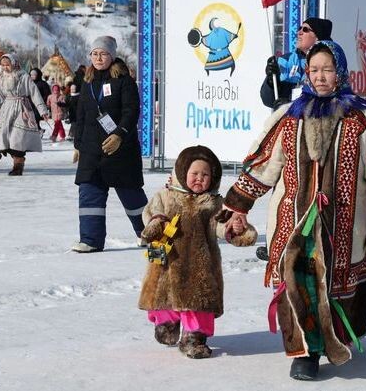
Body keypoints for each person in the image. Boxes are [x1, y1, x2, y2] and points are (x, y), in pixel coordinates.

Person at [221, 40, 366, 380]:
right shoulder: (289, 116)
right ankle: (305, 351)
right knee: (298, 278)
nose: (320, 77)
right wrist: (238, 207)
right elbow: (263, 165)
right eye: (314, 70)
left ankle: (335, 341)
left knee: (336, 280)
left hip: (346, 220)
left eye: (327, 70)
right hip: (293, 218)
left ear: (341, 73)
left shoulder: (363, 118)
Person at [138, 145, 256, 359]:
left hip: (200, 266)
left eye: (205, 175)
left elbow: (222, 224)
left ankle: (194, 337)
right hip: (167, 261)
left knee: (198, 302)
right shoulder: (166, 196)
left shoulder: (214, 203)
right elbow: (151, 211)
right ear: (183, 172)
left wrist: (236, 228)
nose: (199, 178)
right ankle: (167, 324)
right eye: (194, 173)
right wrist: (156, 222)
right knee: (164, 296)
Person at [71, 36, 148, 253]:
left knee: (132, 197)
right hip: (91, 150)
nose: (98, 58)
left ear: (112, 56)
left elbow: (131, 111)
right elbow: (81, 114)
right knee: (89, 193)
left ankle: (149, 233)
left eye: (103, 53)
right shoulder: (87, 81)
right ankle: (90, 240)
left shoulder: (123, 80)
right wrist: (78, 144)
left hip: (120, 150)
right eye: (94, 53)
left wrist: (119, 135)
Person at [0, 54, 49, 175]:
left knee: (17, 138)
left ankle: (18, 166)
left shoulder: (23, 76)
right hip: (6, 109)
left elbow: (34, 93)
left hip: (21, 109)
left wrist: (43, 110)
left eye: (7, 65)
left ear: (14, 64)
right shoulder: (1, 78)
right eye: (3, 65)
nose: (5, 67)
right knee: (3, 134)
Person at [261, 17, 333, 109]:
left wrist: (293, 105)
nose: (299, 32)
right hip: (288, 117)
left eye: (305, 29)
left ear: (318, 37)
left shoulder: (330, 63)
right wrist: (270, 81)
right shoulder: (286, 60)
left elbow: (328, 101)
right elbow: (268, 101)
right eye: (300, 28)